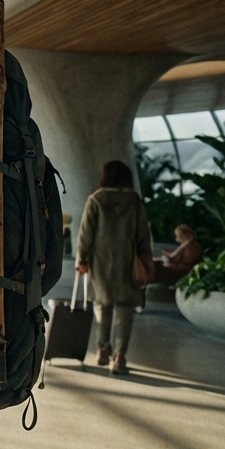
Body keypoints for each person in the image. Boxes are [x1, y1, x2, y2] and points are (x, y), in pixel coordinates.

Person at [76, 160, 154, 375]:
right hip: (127, 261)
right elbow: (142, 234)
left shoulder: (96, 199)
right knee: (125, 309)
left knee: (103, 305)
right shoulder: (134, 200)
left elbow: (86, 233)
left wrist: (81, 259)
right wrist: (146, 258)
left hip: (100, 261)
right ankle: (119, 356)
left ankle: (102, 349)